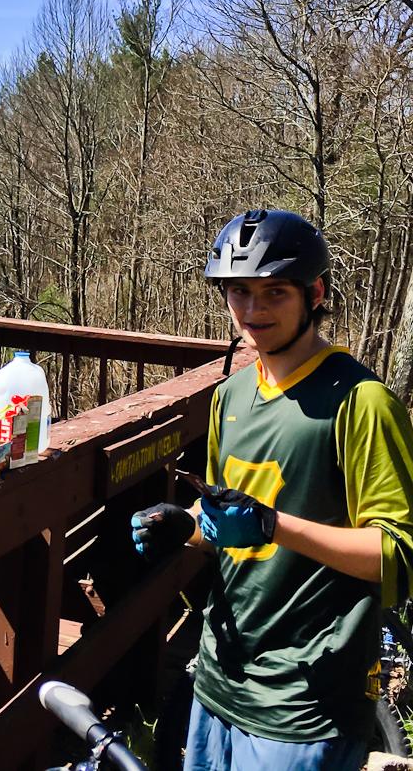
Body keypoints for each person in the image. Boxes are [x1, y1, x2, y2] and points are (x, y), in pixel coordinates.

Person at [130, 209, 413, 771]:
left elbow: (395, 556)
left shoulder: (361, 401)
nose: (253, 312)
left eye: (274, 292)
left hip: (303, 705)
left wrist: (272, 524)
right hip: (218, 681)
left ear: (315, 292)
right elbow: (227, 520)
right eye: (239, 293)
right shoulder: (231, 395)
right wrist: (186, 526)